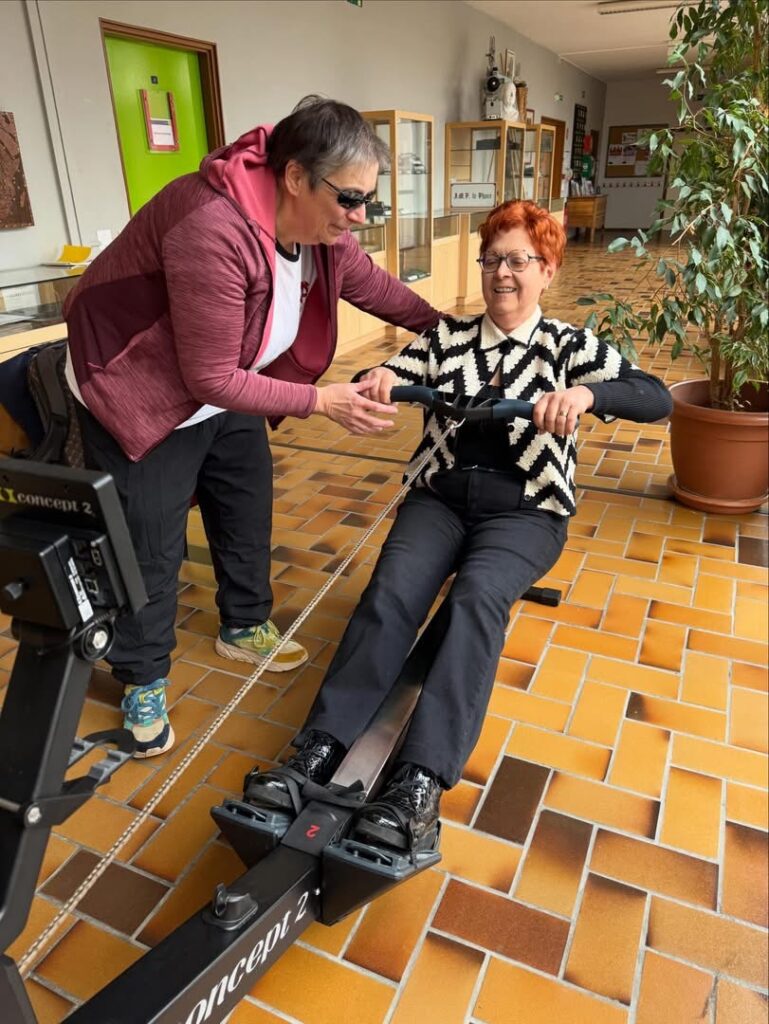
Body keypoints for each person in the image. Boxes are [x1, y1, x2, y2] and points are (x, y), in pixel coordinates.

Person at [244, 200, 673, 852]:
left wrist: (586, 395)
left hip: (526, 510)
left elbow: (654, 395)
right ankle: (317, 747)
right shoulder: (448, 341)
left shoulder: (566, 347)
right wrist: (380, 376)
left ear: (547, 270)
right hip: (439, 500)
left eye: (518, 261)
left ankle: (418, 782)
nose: (502, 274)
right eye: (491, 260)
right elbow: (376, 376)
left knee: (476, 599)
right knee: (390, 592)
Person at [63, 96, 439, 758]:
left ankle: (243, 625)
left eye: (367, 205)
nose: (356, 220)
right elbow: (205, 377)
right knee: (150, 546)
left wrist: (467, 335)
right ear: (294, 177)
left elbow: (379, 290)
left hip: (229, 386)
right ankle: (142, 677)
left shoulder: (320, 232)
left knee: (244, 503)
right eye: (349, 200)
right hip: (142, 395)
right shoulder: (210, 225)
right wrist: (321, 402)